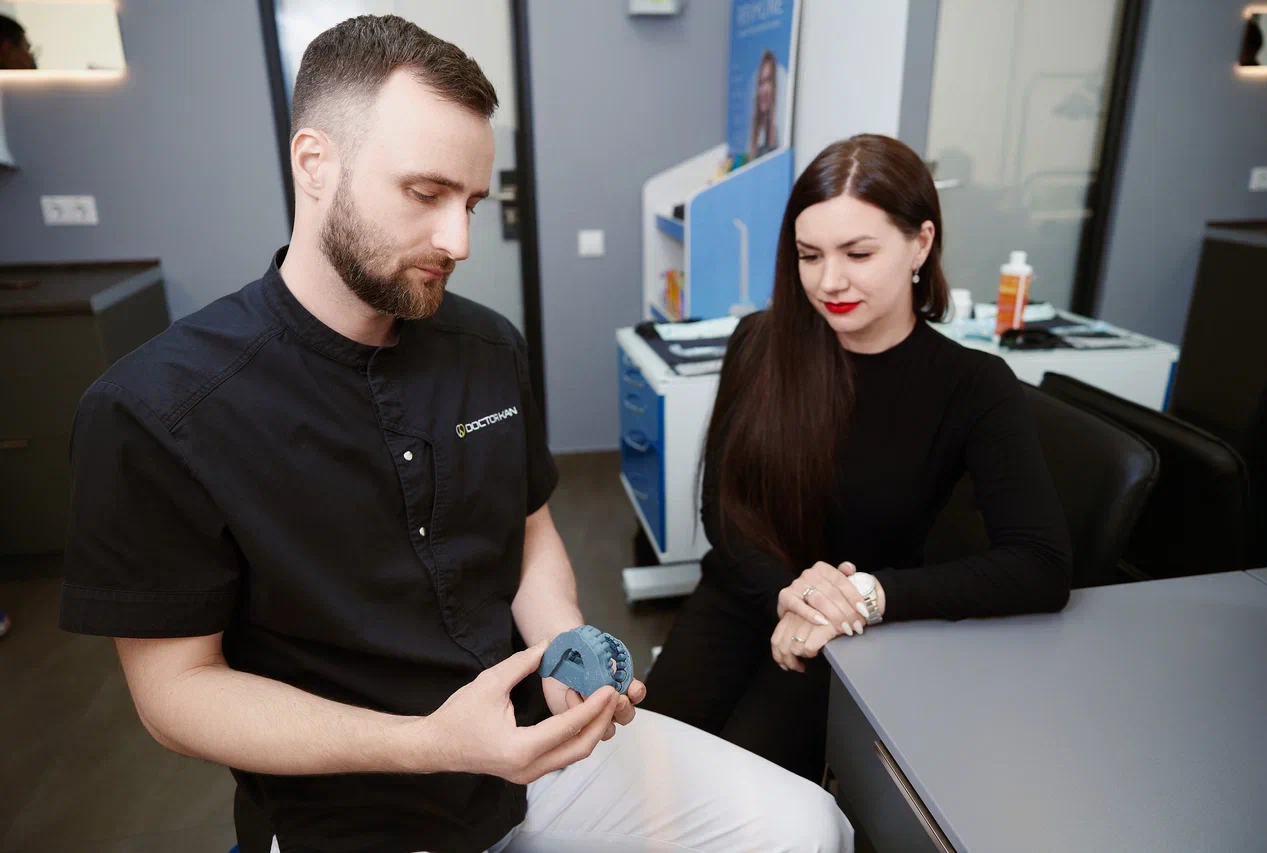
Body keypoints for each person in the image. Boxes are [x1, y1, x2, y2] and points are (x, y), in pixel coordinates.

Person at [59, 15, 852, 853]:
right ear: (314, 162)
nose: (459, 240)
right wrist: (428, 743)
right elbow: (176, 693)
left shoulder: (488, 348)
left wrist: (562, 644)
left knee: (808, 826)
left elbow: (528, 531)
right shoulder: (156, 410)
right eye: (425, 193)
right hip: (351, 810)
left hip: (531, 748)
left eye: (470, 201)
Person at [644, 134, 1072, 783]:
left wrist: (864, 596)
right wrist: (788, 592)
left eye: (858, 253)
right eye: (809, 256)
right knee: (648, 763)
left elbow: (1040, 564)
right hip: (748, 589)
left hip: (852, 631)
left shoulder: (974, 385)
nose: (829, 282)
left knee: (744, 791)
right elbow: (724, 508)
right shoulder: (759, 343)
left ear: (921, 244)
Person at [747, 49, 777, 161]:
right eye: (760, 83)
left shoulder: (779, 130)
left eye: (768, 81)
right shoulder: (756, 134)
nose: (763, 90)